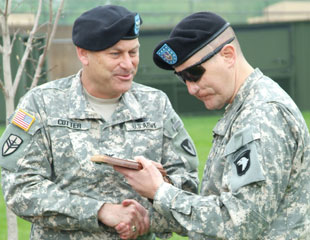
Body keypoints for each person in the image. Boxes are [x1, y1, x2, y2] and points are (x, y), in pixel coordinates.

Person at [0, 5, 199, 240]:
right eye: (115, 54)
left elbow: (187, 183)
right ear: (83, 54)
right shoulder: (42, 104)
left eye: (133, 52)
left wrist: (148, 214)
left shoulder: (156, 105)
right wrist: (100, 212)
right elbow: (20, 187)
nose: (127, 64)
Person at [115, 11, 310, 239]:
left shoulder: (261, 113)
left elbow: (240, 222)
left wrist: (161, 192)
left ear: (228, 55)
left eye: (194, 73)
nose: (191, 88)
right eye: (182, 77)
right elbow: (223, 206)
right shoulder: (244, 107)